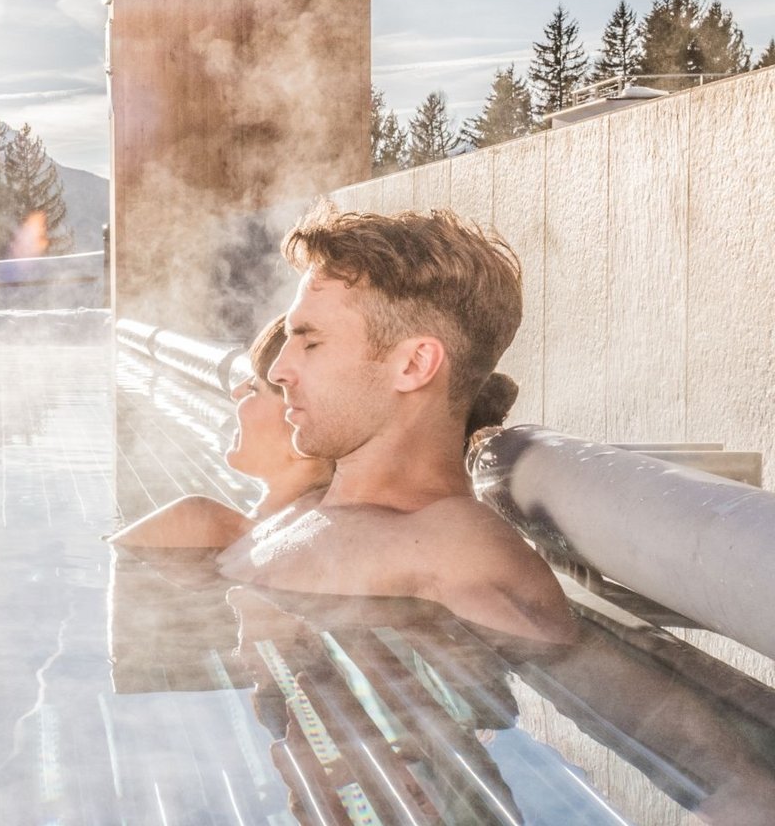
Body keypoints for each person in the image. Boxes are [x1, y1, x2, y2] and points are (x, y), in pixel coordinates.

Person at [215, 204, 577, 645]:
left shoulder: (458, 553)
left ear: (414, 365)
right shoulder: (304, 511)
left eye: (311, 343)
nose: (278, 371)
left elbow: (577, 690)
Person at [107, 316, 330, 550]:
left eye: (254, 388)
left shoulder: (197, 523)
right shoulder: (329, 548)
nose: (236, 392)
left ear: (304, 428)